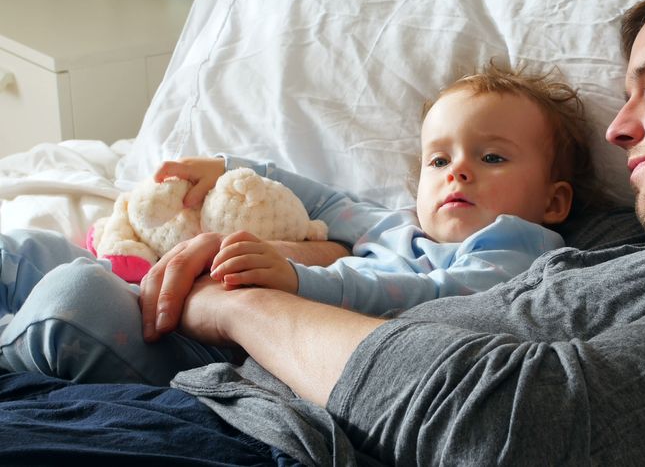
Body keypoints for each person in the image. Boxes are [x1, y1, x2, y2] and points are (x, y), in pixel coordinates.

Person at [1, 0, 645, 466]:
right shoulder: (610, 244)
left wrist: (236, 305)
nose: (619, 123)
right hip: (162, 401)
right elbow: (383, 223)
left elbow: (507, 428)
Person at [0, 64, 596, 385]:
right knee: (24, 250)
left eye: (491, 157)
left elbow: (434, 297)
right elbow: (325, 198)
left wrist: (299, 282)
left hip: (199, 354)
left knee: (73, 299)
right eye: (439, 160)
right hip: (169, 298)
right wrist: (228, 168)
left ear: (555, 201)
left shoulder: (520, 250)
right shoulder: (393, 227)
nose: (457, 173)